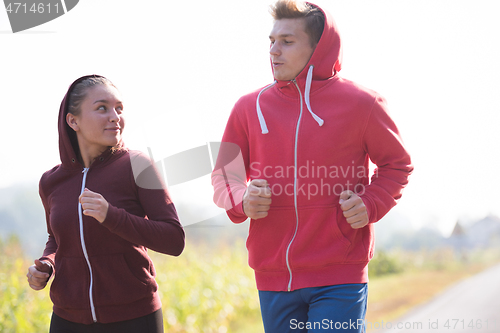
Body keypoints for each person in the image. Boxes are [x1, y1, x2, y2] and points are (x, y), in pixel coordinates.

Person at [212, 1, 413, 332]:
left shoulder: (364, 104)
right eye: (271, 41)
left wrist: (370, 203)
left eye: (287, 42)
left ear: (318, 47)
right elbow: (224, 177)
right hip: (273, 276)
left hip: (340, 272)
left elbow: (397, 165)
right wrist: (242, 199)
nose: (274, 51)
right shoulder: (248, 108)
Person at [26, 75, 185, 333]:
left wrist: (111, 216)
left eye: (119, 108)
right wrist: (48, 263)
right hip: (68, 319)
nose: (115, 116)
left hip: (133, 316)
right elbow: (57, 239)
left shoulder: (137, 166)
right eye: (102, 108)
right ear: (72, 120)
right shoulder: (51, 182)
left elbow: (174, 239)